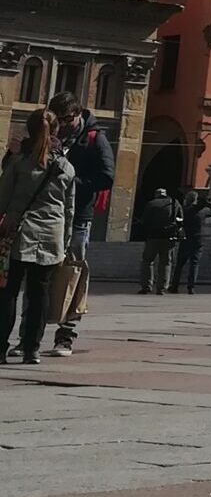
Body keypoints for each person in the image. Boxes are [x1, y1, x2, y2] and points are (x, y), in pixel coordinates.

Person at [0, 108, 76, 366]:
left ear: (28, 130)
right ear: (57, 131)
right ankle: (32, 349)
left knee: (8, 291)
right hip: (50, 236)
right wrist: (64, 243)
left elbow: (2, 198)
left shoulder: (19, 161)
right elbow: (69, 209)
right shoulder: (66, 166)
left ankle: (0, 347)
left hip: (18, 233)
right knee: (39, 292)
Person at [46, 89, 114, 359]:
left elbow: (107, 177)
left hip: (79, 219)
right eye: (57, 120)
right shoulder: (50, 135)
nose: (62, 126)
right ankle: (30, 335)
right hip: (50, 214)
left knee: (72, 275)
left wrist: (74, 183)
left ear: (77, 114)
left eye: (66, 120)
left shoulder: (95, 139)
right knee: (42, 276)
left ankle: (65, 336)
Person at [138, 189, 184, 295]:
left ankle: (146, 286)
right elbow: (180, 219)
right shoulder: (174, 203)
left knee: (148, 261)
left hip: (152, 237)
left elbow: (144, 221)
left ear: (156, 195)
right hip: (168, 238)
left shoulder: (151, 204)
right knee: (166, 263)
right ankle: (162, 288)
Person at [172, 189, 211, 293]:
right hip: (198, 240)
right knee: (194, 263)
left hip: (186, 239)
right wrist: (208, 204)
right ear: (196, 200)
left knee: (179, 264)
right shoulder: (203, 211)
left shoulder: (184, 210)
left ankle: (174, 286)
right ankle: (191, 287)